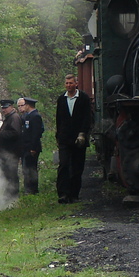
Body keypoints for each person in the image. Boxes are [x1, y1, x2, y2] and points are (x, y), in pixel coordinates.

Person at [55, 73, 93, 204]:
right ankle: (63, 194)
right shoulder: (61, 99)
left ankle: (74, 194)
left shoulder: (83, 98)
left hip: (79, 138)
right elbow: (58, 119)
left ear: (76, 84)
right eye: (66, 83)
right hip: (65, 138)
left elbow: (87, 117)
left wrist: (83, 133)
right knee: (63, 164)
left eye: (71, 83)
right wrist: (58, 135)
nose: (68, 85)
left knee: (77, 166)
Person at [0, 99, 23, 197]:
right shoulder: (9, 117)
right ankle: (9, 193)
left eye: (6, 107)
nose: (4, 110)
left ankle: (13, 194)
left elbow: (15, 133)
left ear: (11, 107)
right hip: (6, 152)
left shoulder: (14, 117)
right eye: (3, 108)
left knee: (11, 174)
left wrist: (1, 134)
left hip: (11, 152)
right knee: (7, 173)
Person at [18, 97, 44, 195]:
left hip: (32, 147)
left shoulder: (35, 116)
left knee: (31, 169)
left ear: (28, 105)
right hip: (26, 147)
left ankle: (32, 189)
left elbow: (36, 133)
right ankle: (28, 189)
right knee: (26, 169)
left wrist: (33, 148)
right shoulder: (28, 116)